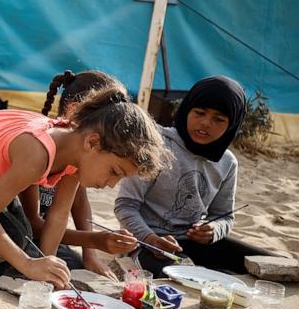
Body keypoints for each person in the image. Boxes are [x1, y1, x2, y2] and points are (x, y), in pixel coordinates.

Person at [0, 77, 168, 290]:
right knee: (16, 235)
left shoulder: (75, 154)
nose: (110, 184)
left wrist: (47, 269)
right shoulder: (38, 154)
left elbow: (57, 216)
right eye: (114, 172)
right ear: (93, 142)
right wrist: (28, 265)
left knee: (22, 237)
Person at [114, 76, 278, 275]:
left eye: (219, 119)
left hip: (193, 243)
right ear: (187, 109)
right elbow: (126, 205)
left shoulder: (227, 162)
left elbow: (224, 216)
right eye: (199, 113)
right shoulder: (155, 144)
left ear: (232, 124)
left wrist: (213, 231)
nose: (206, 123)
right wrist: (150, 239)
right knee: (184, 274)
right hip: (146, 244)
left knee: (273, 264)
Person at [19, 70, 138, 278]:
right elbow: (32, 225)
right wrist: (94, 240)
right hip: (18, 235)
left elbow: (79, 203)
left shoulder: (80, 156)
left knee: (73, 266)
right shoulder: (38, 149)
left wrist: (90, 255)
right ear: (74, 111)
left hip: (50, 236)